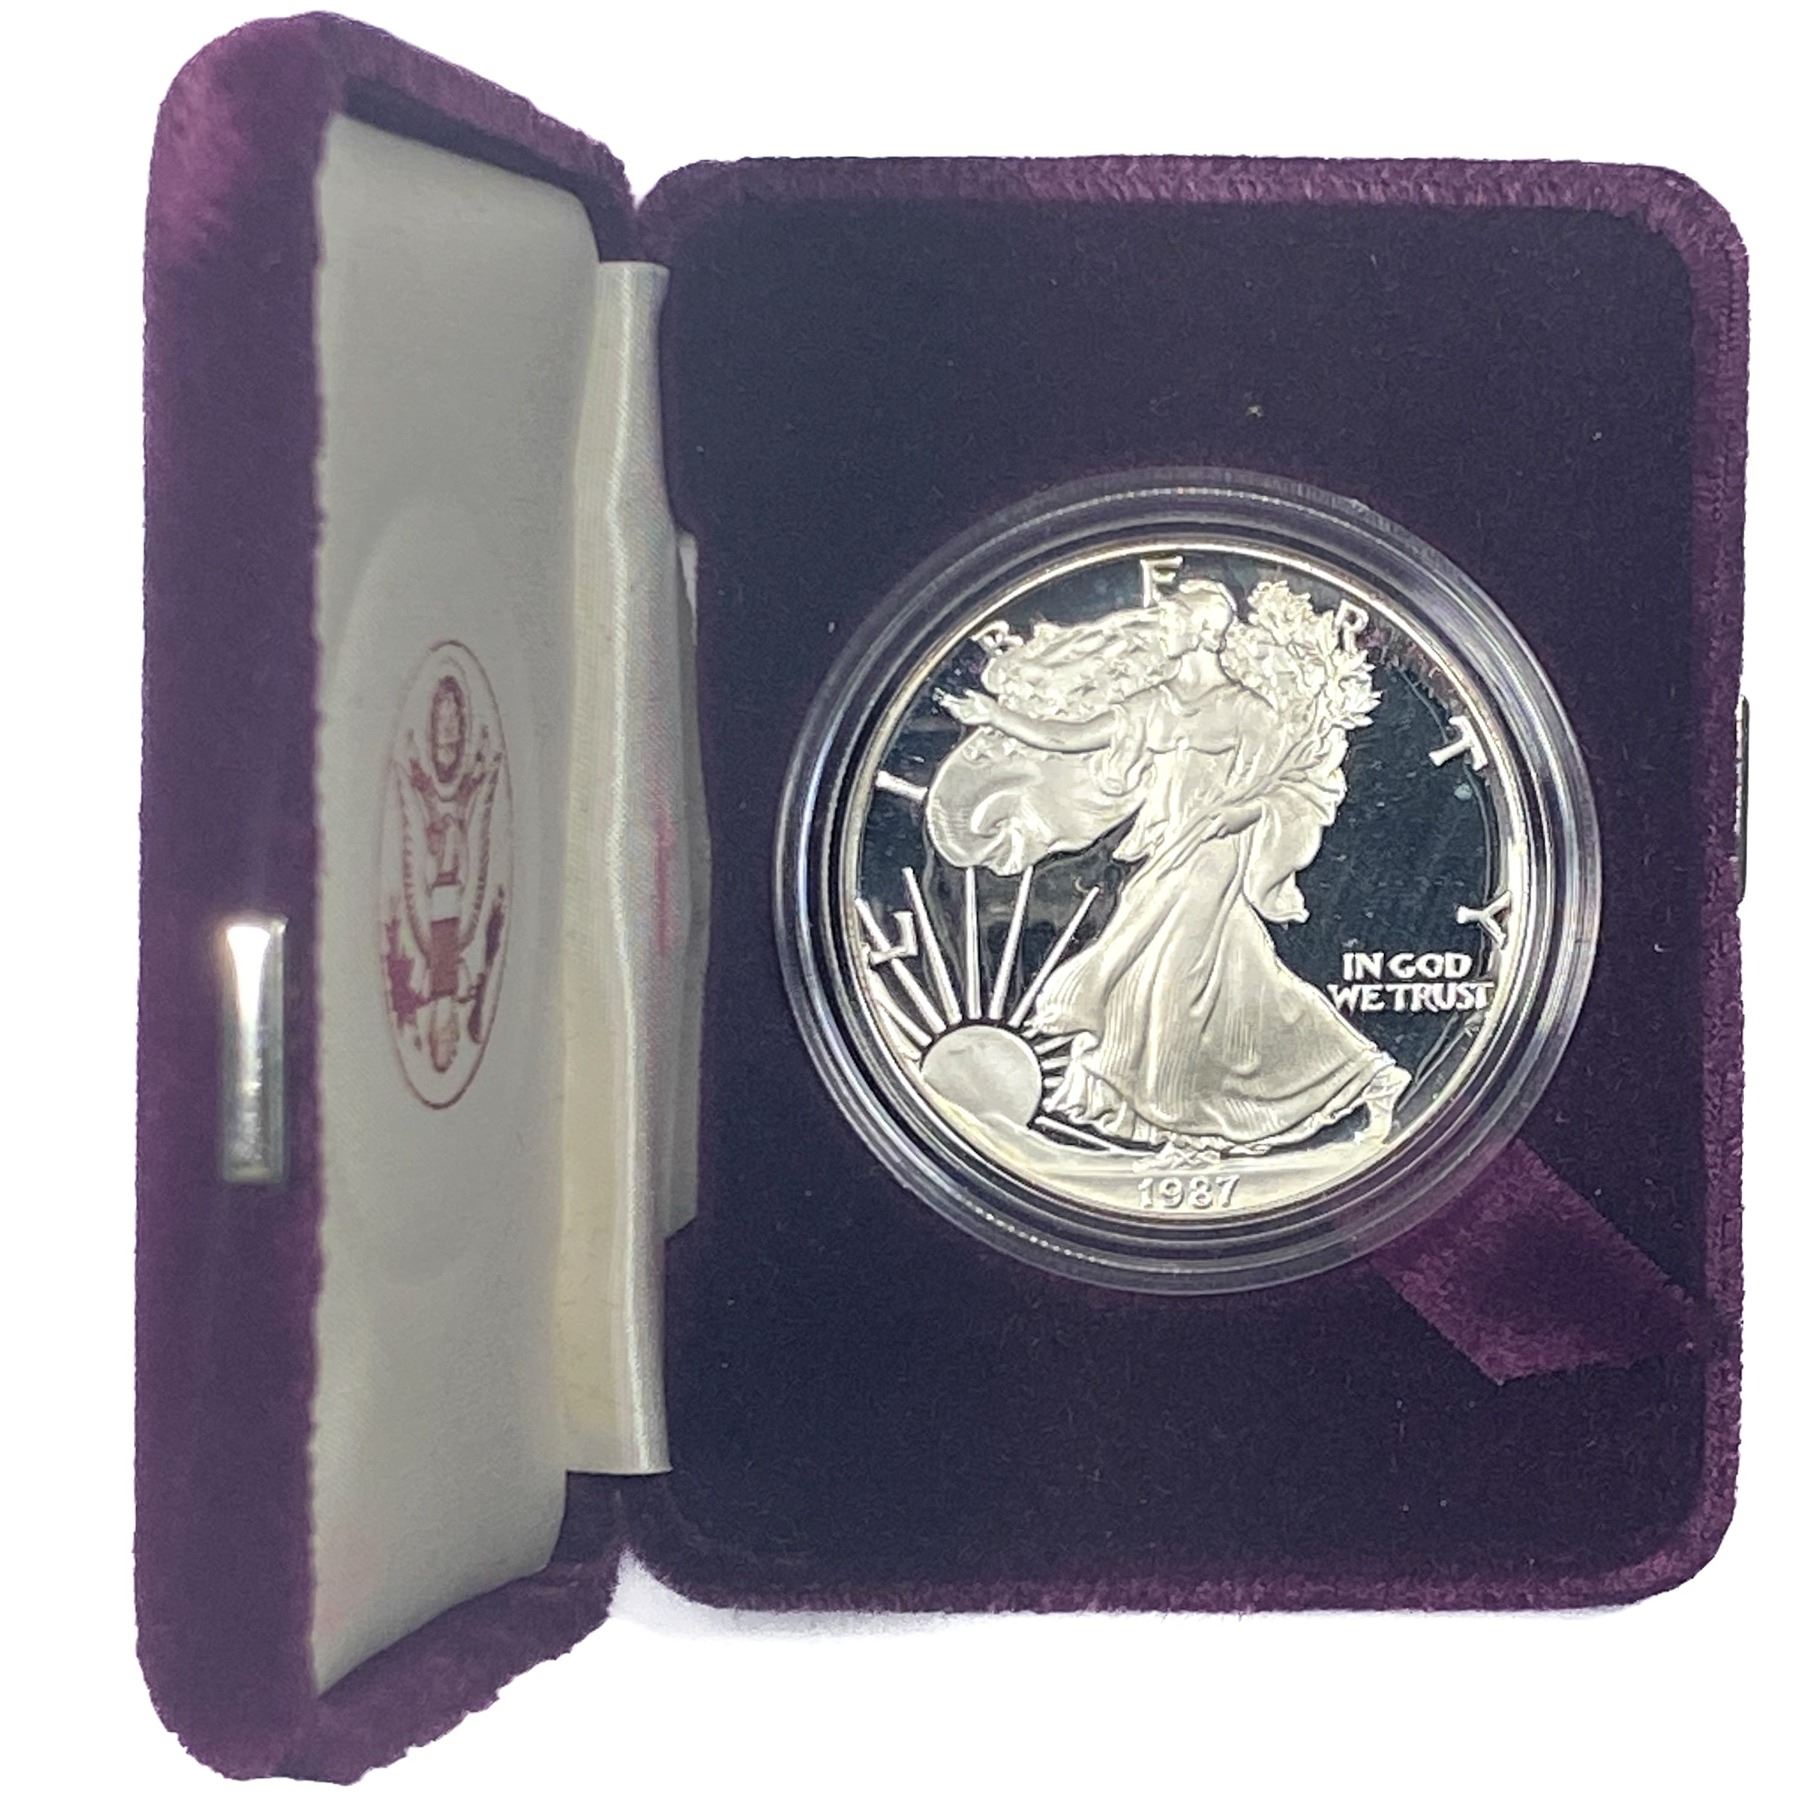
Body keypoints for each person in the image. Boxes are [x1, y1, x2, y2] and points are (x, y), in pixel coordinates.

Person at [930, 569, 1405, 1153]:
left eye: (1175, 617)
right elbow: (1070, 736)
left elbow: (1292, 786)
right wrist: (996, 717)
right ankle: (1363, 1074)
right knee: (1239, 980)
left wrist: (1246, 812)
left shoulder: (1248, 710)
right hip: (1165, 855)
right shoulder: (1154, 703)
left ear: (1203, 630)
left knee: (1171, 975)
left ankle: (1178, 1110)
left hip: (1213, 856)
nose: (1164, 626)